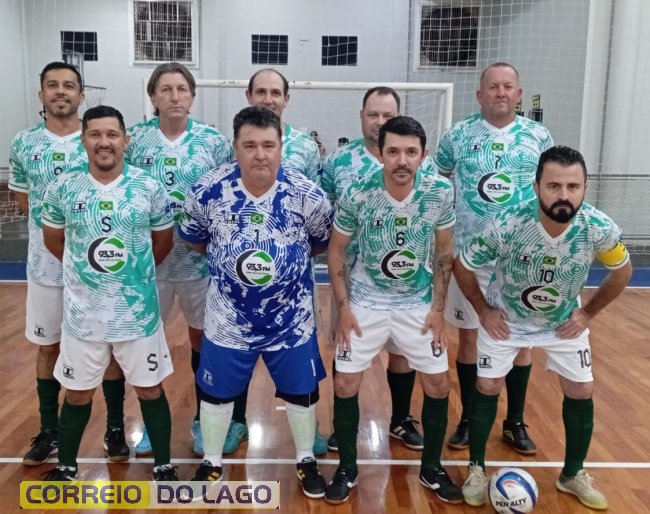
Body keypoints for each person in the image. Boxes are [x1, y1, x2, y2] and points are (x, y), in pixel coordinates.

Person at [456, 145, 631, 510]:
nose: (563, 195)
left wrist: (588, 314)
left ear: (584, 188)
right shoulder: (508, 223)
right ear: (536, 187)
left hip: (563, 322)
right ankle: (476, 469)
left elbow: (622, 272)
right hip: (507, 320)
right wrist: (483, 311)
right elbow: (463, 265)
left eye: (573, 186)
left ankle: (572, 474)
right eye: (554, 186)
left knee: (582, 389)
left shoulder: (598, 227)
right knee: (487, 385)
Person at [179, 106, 333, 498]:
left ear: (281, 147)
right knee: (216, 393)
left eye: (268, 145)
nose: (260, 154)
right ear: (236, 147)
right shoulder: (208, 190)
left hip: (291, 319)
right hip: (228, 318)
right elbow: (195, 239)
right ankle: (211, 462)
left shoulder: (307, 194)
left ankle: (306, 460)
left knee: (301, 391)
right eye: (250, 145)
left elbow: (320, 243)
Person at [324, 116, 461, 505]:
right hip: (365, 303)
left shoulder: (439, 192)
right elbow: (336, 250)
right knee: (345, 384)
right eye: (394, 151)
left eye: (411, 152)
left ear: (424, 154)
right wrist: (344, 308)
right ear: (380, 153)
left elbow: (444, 252)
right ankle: (347, 467)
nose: (402, 160)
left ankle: (431, 467)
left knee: (438, 384)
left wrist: (438, 309)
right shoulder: (358, 192)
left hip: (417, 305)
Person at [40, 105, 178, 481]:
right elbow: (54, 240)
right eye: (96, 134)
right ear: (83, 140)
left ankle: (163, 465)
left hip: (138, 315)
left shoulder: (148, 186)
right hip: (83, 317)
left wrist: (133, 276)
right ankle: (67, 467)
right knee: (77, 393)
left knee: (150, 389)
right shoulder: (63, 187)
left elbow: (162, 242)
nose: (104, 142)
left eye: (112, 134)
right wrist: (86, 276)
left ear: (125, 140)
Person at [8, 62, 129, 466]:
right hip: (46, 267)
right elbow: (24, 199)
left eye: (69, 85)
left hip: (100, 271)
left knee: (108, 346)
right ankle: (50, 431)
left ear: (82, 95)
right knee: (49, 346)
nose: (61, 91)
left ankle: (115, 429)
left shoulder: (97, 138)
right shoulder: (24, 143)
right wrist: (56, 239)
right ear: (41, 94)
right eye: (52, 85)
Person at [434, 62, 553, 453]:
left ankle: (514, 421)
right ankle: (469, 418)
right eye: (493, 87)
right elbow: (436, 179)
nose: (501, 92)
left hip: (521, 259)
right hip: (469, 259)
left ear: (518, 94)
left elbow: (550, 187)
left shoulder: (538, 136)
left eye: (508, 86)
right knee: (469, 337)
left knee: (521, 341)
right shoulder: (458, 135)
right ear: (479, 94)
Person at [321, 87, 437, 453]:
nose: (380, 121)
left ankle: (401, 419)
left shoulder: (425, 166)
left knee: (402, 351)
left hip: (406, 282)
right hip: (352, 279)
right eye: (373, 114)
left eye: (387, 115)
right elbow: (326, 214)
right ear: (362, 116)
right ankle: (344, 429)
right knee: (346, 350)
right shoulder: (338, 162)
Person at [126, 62, 232, 459]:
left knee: (203, 339)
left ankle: (205, 421)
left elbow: (226, 198)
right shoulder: (134, 140)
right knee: (144, 341)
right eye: (166, 89)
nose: (175, 96)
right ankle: (152, 426)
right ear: (152, 96)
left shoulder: (213, 142)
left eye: (182, 89)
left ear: (192, 95)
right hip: (147, 263)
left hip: (198, 265)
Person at [222, 68, 326, 456]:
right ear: (249, 95)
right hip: (240, 274)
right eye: (261, 91)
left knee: (301, 351)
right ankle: (235, 422)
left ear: (287, 98)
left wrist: (290, 257)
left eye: (275, 92)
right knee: (238, 348)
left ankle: (310, 430)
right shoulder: (234, 142)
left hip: (292, 279)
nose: (268, 98)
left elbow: (317, 213)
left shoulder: (306, 147)